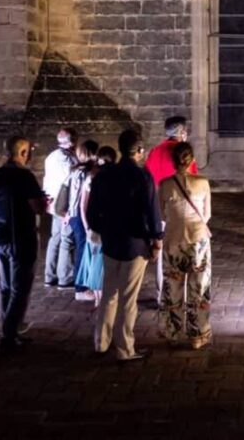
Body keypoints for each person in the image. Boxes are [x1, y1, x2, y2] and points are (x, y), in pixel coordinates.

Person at [93, 129, 163, 362]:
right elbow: (152, 211)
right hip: (135, 243)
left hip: (111, 239)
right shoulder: (142, 176)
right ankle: (124, 348)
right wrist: (156, 239)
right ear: (139, 151)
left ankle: (100, 342)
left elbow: (93, 208)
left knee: (108, 294)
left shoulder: (105, 175)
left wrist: (99, 227)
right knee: (128, 298)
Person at [0, 136, 47, 353]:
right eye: (29, 150)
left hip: (0, 235)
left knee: (6, 287)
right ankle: (9, 335)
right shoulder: (25, 177)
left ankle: (9, 330)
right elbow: (37, 207)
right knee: (20, 290)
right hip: (21, 237)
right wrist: (43, 201)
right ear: (23, 152)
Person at [157, 142, 213, 349]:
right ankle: (197, 335)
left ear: (173, 161)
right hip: (197, 239)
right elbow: (207, 214)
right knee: (199, 288)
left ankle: (172, 332)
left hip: (173, 240)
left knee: (172, 288)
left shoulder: (164, 185)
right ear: (192, 161)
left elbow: (162, 214)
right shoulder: (203, 183)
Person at [145, 116, 198, 300]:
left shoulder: (154, 152)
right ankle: (180, 295)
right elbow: (192, 183)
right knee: (182, 253)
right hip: (180, 211)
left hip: (158, 209)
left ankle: (162, 296)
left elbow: (148, 180)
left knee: (161, 256)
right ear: (182, 132)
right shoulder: (184, 154)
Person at [78, 145, 117, 306]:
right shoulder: (115, 177)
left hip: (94, 227)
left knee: (94, 262)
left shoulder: (91, 177)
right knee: (103, 263)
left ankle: (97, 296)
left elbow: (83, 206)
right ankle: (103, 297)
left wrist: (87, 226)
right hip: (108, 227)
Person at [43, 127, 78, 289]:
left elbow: (47, 180)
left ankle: (49, 276)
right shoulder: (70, 160)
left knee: (55, 238)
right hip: (65, 206)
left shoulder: (50, 157)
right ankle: (65, 278)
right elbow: (70, 186)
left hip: (53, 204)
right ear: (72, 142)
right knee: (66, 241)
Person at [70, 140, 99, 302]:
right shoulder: (86, 172)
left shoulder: (75, 170)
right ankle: (80, 288)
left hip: (74, 215)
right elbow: (83, 202)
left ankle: (84, 285)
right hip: (82, 216)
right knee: (83, 250)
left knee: (83, 249)